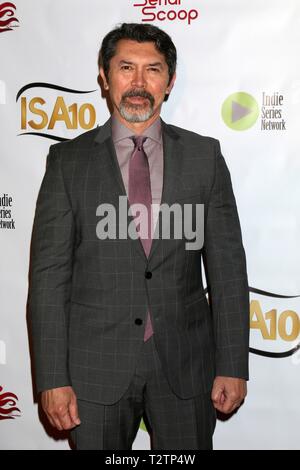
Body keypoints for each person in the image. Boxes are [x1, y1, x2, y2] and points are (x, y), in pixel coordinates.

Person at [28, 23, 249, 450]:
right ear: (105, 76)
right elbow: (49, 279)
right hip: (94, 369)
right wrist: (52, 378)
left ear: (169, 82)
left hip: (187, 368)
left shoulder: (205, 157)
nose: (138, 82)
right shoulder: (66, 162)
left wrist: (233, 364)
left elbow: (228, 271)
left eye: (153, 69)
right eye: (126, 67)